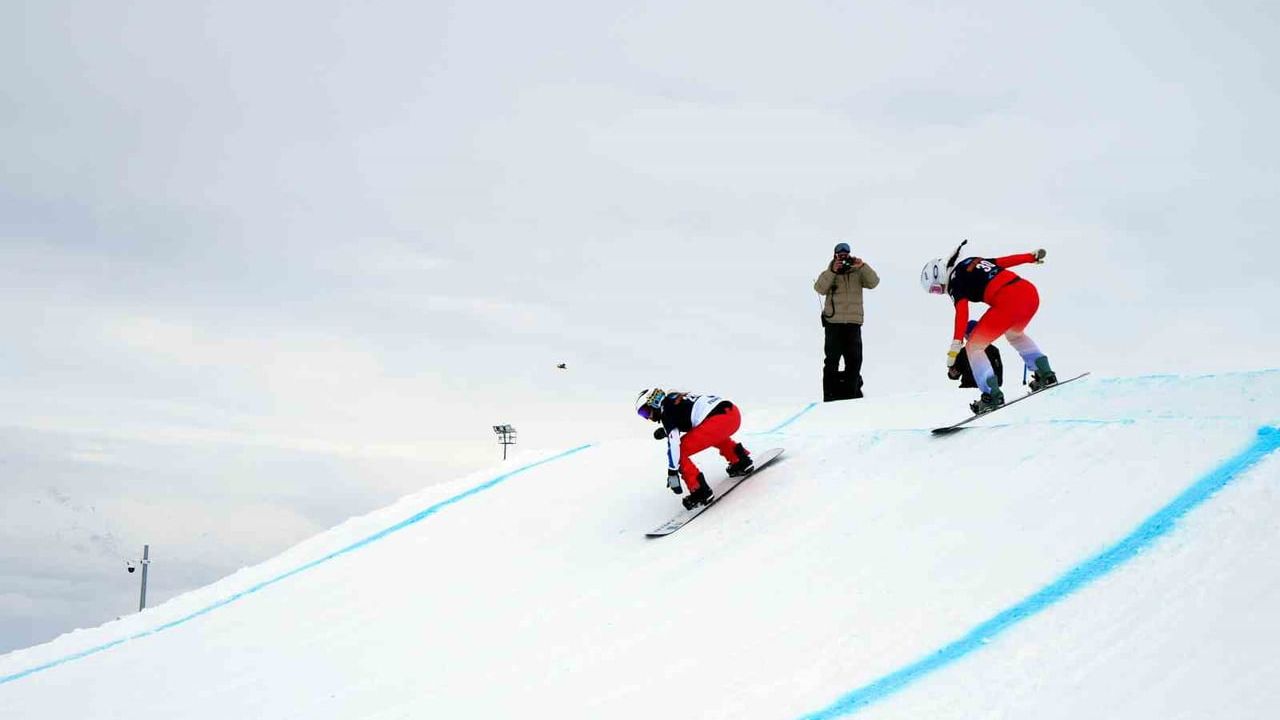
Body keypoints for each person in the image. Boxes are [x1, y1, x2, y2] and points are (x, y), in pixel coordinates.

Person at [920, 240, 1058, 415]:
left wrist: (955, 346)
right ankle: (1045, 373)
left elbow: (962, 311)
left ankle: (992, 395)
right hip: (1029, 293)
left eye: (935, 289)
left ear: (938, 274)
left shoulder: (955, 280)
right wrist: (1030, 257)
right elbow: (1003, 262)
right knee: (1014, 334)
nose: (940, 292)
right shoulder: (972, 261)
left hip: (1008, 300)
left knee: (974, 347)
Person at [635, 388, 753, 510]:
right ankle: (740, 460)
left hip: (718, 421)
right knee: (707, 434)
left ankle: (700, 491)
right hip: (732, 414)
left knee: (679, 452)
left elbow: (674, 444)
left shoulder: (666, 411)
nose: (648, 417)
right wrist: (667, 430)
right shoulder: (674, 397)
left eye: (645, 411)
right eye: (643, 414)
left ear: (653, 402)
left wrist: (672, 471)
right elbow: (689, 414)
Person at [814, 242, 880, 401]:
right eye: (840, 255)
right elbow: (819, 288)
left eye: (846, 255)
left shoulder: (858, 271)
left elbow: (874, 282)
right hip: (833, 323)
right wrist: (832, 271)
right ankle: (829, 397)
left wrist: (863, 265)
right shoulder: (829, 272)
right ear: (835, 256)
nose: (843, 258)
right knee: (831, 361)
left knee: (855, 361)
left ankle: (851, 397)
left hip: (853, 323)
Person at [949, 319, 1004, 389]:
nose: (966, 338)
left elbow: (999, 378)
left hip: (988, 389)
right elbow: (954, 374)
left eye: (969, 334)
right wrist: (953, 374)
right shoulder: (963, 353)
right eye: (966, 335)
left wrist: (992, 390)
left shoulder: (993, 351)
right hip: (967, 389)